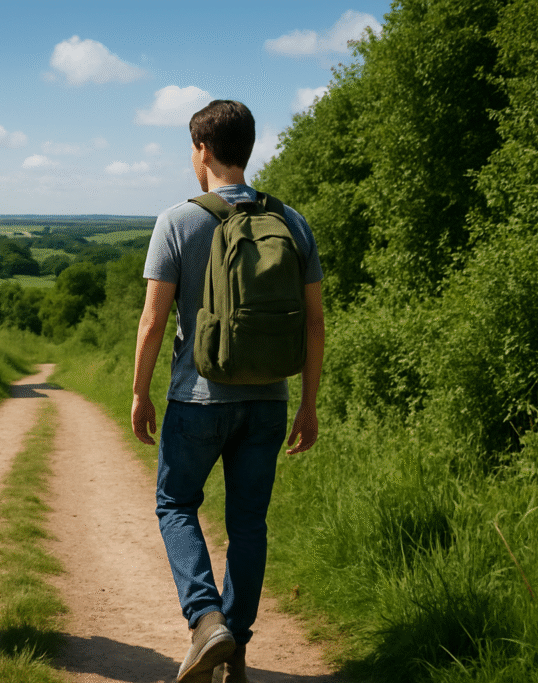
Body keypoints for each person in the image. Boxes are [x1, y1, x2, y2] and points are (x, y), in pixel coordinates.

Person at [131, 100, 325, 683]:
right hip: (269, 400)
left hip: (196, 397)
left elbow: (153, 321)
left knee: (174, 504)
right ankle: (234, 646)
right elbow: (315, 322)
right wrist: (309, 403)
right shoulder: (292, 221)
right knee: (248, 523)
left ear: (203, 150)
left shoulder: (178, 221)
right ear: (247, 147)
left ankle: (206, 620)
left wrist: (140, 393)